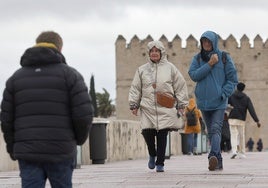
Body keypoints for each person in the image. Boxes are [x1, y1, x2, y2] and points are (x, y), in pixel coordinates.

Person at [0, 31, 94, 188]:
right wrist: (76, 141)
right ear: (59, 48)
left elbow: (6, 119)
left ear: (36, 44)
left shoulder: (15, 79)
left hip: (28, 152)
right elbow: (83, 115)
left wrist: (13, 149)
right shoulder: (71, 76)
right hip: (61, 150)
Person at [129, 40, 188, 172]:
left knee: (162, 135)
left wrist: (181, 104)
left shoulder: (171, 68)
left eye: (157, 51)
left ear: (162, 53)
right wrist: (134, 104)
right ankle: (152, 153)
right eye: (152, 51)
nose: (154, 53)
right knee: (147, 132)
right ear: (149, 53)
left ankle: (160, 163)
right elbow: (135, 88)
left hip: (165, 107)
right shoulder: (141, 70)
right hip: (147, 107)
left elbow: (180, 85)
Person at [188, 30, 238, 171]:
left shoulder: (224, 57)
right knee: (211, 131)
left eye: (209, 41)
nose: (206, 44)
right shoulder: (197, 59)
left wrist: (223, 94)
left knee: (216, 128)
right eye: (204, 41)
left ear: (214, 42)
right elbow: (194, 75)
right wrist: (209, 64)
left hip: (219, 102)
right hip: (203, 102)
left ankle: (212, 156)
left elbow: (233, 79)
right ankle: (218, 161)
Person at [228, 82, 261, 159]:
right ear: (243, 89)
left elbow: (226, 105)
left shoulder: (232, 96)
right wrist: (257, 121)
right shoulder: (246, 98)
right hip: (241, 119)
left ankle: (234, 151)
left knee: (233, 135)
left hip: (232, 118)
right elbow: (251, 110)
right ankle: (242, 153)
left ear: (237, 88)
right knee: (241, 136)